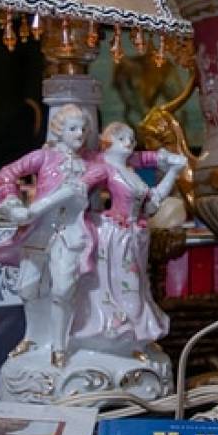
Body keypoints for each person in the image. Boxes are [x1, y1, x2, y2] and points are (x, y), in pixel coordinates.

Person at [0, 104, 95, 368]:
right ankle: (33, 336)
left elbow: (118, 168)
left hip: (70, 233)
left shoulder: (89, 164)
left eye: (83, 128)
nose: (79, 133)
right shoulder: (44, 157)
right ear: (58, 131)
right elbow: (7, 174)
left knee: (63, 289)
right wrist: (12, 203)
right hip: (39, 231)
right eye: (73, 128)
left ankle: (59, 345)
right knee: (28, 287)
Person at [73, 122, 184, 356]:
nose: (129, 143)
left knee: (140, 285)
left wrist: (173, 172)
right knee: (128, 285)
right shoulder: (105, 168)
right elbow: (79, 188)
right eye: (122, 138)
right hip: (118, 235)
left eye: (131, 139)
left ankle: (137, 337)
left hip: (136, 234)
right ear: (107, 142)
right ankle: (128, 336)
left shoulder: (129, 170)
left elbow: (152, 204)